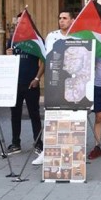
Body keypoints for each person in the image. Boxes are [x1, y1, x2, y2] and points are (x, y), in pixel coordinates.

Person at [33, 10, 74, 165]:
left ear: (72, 20)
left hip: (70, 82)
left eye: (65, 18)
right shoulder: (51, 36)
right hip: (54, 82)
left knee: (70, 117)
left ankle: (68, 151)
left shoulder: (79, 37)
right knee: (51, 116)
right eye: (60, 18)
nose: (61, 21)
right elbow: (45, 58)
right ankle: (46, 151)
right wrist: (38, 77)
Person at [6, 14, 44, 156]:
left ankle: (38, 144)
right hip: (15, 84)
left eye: (19, 23)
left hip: (31, 83)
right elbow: (7, 63)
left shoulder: (37, 40)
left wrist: (37, 78)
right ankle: (16, 143)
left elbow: (44, 61)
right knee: (15, 114)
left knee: (34, 114)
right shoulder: (11, 41)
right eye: (15, 23)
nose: (16, 26)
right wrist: (8, 57)